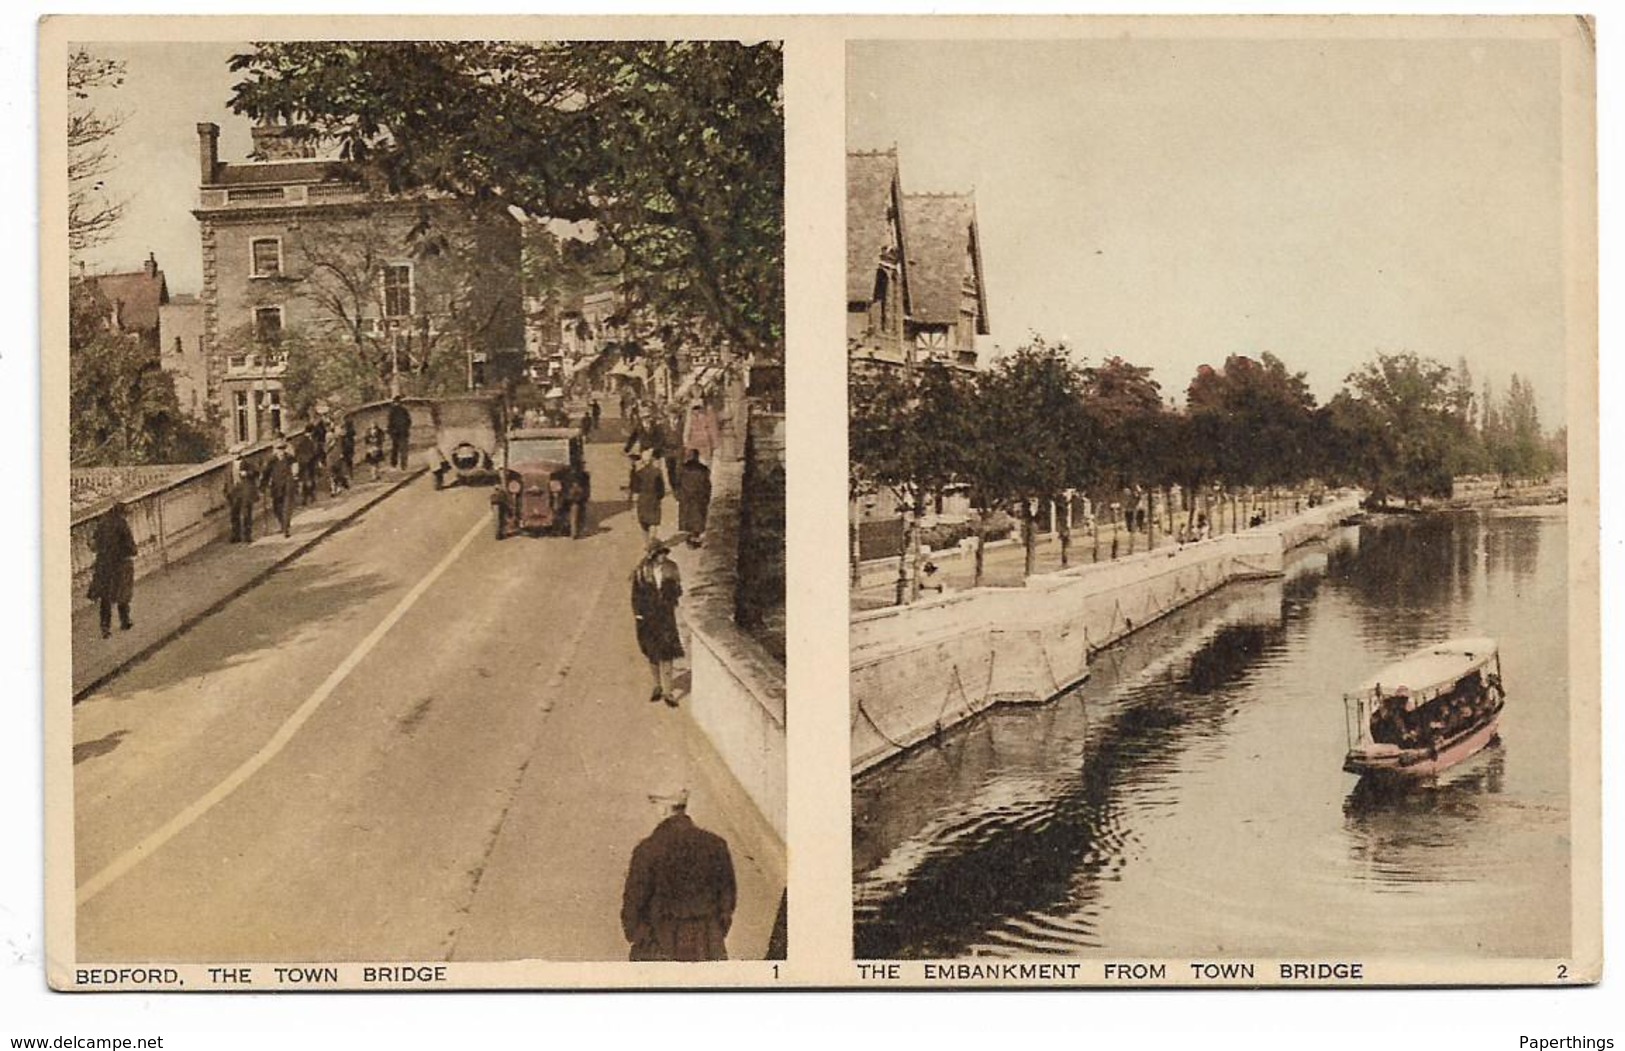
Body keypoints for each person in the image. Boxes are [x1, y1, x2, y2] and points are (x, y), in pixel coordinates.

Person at [620, 787, 736, 962]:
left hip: (658, 945)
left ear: (664, 808)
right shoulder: (716, 845)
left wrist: (643, 940)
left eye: (655, 803)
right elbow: (727, 898)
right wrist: (714, 934)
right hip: (706, 945)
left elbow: (633, 905)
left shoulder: (648, 849)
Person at [631, 535, 683, 705]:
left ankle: (668, 692)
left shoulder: (671, 568)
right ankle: (657, 685)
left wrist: (672, 593)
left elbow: (678, 590)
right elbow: (636, 595)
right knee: (652, 653)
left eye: (664, 553)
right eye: (660, 554)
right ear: (653, 556)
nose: (663, 557)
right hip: (648, 617)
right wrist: (639, 614)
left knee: (667, 652)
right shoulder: (641, 572)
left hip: (666, 615)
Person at [87, 500, 137, 638]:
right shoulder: (122, 524)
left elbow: (93, 545)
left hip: (104, 566)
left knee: (105, 597)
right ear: (122, 513)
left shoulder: (102, 523)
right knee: (123, 594)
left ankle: (105, 628)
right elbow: (132, 549)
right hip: (120, 565)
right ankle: (125, 621)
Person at [262, 440, 298, 537]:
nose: (281, 452)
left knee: (286, 508)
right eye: (279, 449)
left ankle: (286, 529)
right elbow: (266, 473)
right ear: (275, 450)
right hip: (276, 487)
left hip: (288, 486)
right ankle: (283, 524)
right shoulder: (271, 460)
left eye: (283, 449)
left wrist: (295, 475)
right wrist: (263, 485)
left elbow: (296, 468)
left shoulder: (290, 458)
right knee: (277, 508)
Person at [676, 448, 711, 547]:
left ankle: (692, 536)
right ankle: (697, 536)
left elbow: (678, 483)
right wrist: (707, 497)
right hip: (699, 496)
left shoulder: (682, 468)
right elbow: (707, 485)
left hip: (686, 496)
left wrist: (679, 495)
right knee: (699, 517)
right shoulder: (703, 469)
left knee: (688, 516)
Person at [632, 448, 666, 540]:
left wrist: (634, 505)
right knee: (654, 522)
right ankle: (652, 541)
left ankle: (646, 543)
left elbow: (635, 490)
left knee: (644, 524)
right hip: (653, 499)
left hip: (642, 500)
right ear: (651, 460)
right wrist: (659, 497)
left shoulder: (638, 473)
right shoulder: (657, 472)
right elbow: (661, 490)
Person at [225, 453, 258, 543]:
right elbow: (227, 479)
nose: (234, 455)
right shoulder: (229, 465)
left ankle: (247, 535)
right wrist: (227, 491)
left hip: (245, 492)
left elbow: (256, 473)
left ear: (240, 454)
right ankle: (236, 535)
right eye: (232, 454)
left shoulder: (248, 463)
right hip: (234, 493)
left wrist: (247, 473)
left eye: (236, 453)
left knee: (246, 514)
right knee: (234, 514)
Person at [387, 395, 412, 470]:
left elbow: (389, 423)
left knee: (395, 449)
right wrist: (406, 428)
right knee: (403, 449)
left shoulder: (392, 411)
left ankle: (394, 465)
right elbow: (409, 421)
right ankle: (403, 465)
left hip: (396, 434)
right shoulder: (404, 410)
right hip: (403, 433)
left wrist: (390, 432)